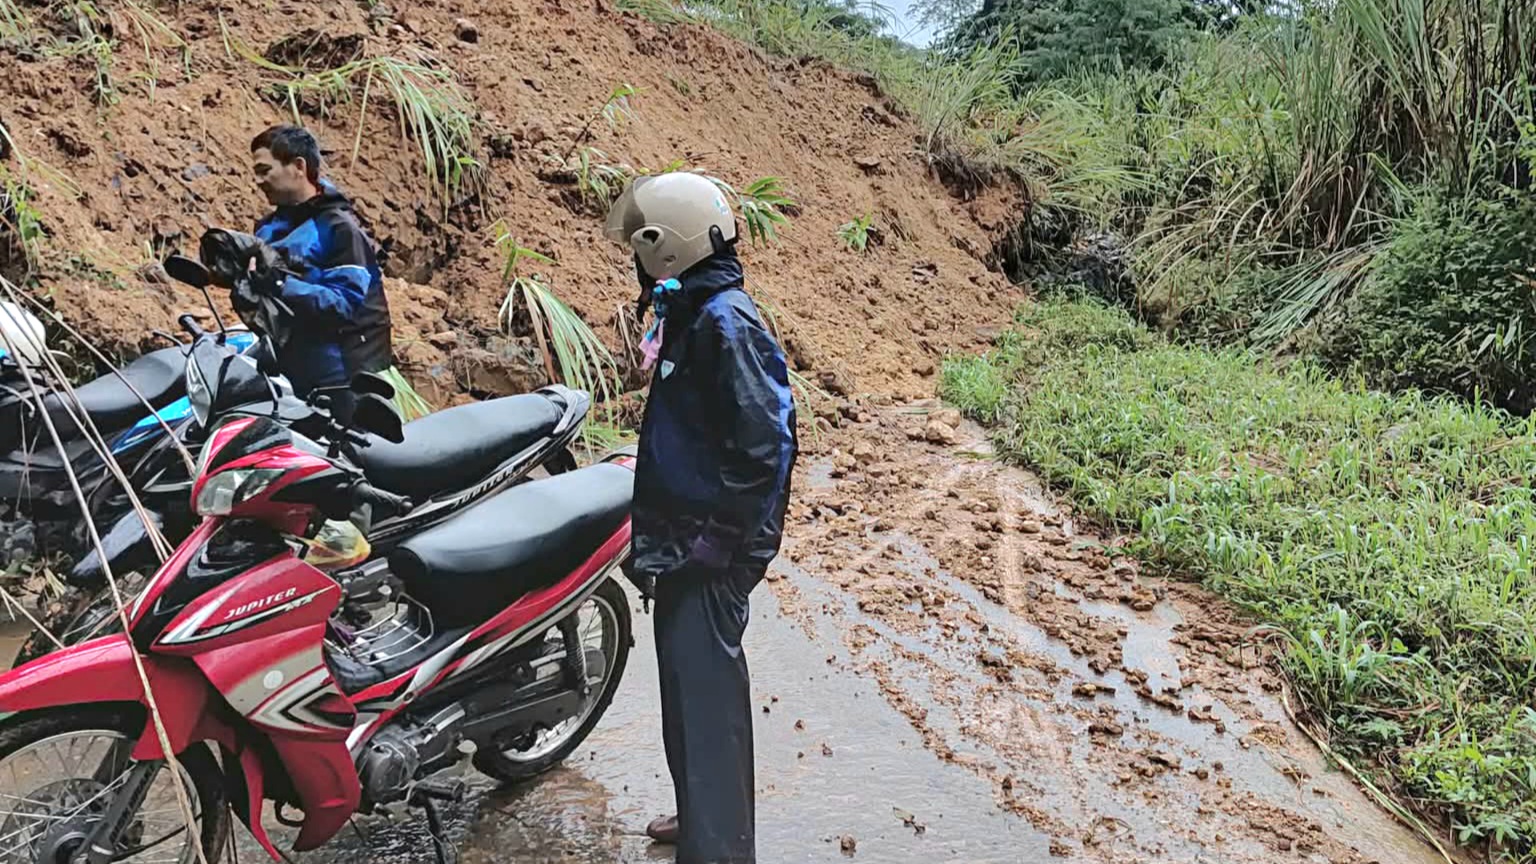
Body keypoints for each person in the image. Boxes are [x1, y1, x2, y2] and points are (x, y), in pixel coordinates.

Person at [605, 173, 798, 864]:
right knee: (685, 695)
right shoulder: (692, 308)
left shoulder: (726, 321)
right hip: (681, 541)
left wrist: (719, 545)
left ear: (665, 247)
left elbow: (767, 443)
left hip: (707, 547)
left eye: (638, 244)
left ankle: (720, 849)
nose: (631, 257)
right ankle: (699, 817)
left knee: (709, 705)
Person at [247, 124, 392, 409]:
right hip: (286, 370)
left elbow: (343, 304)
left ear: (298, 166)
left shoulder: (339, 228)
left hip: (342, 376)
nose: (258, 181)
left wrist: (279, 284)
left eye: (265, 170)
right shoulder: (266, 228)